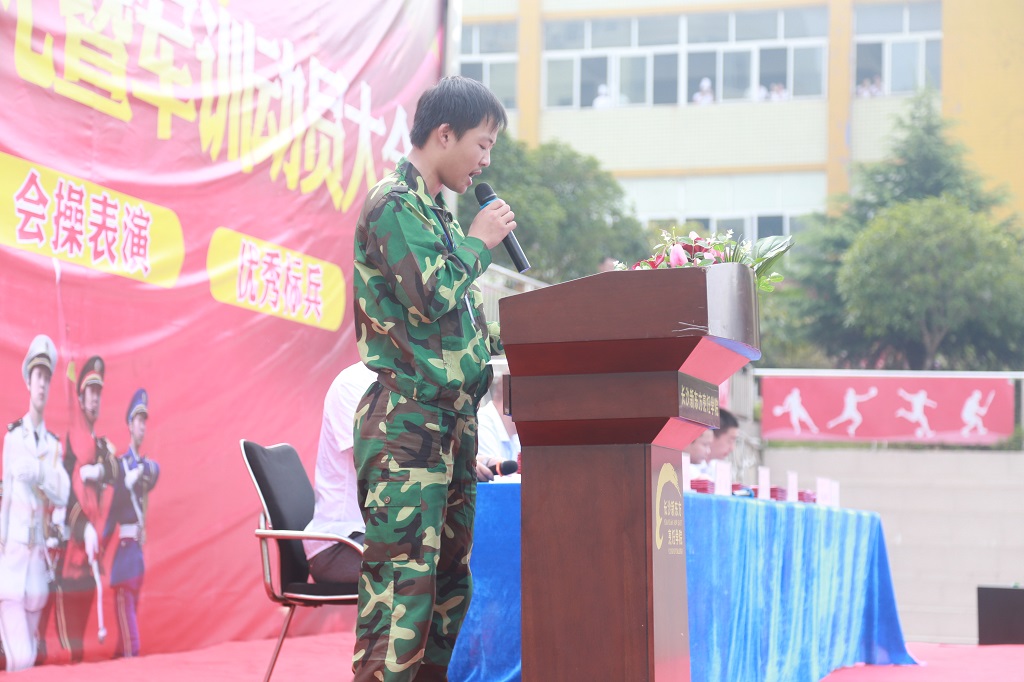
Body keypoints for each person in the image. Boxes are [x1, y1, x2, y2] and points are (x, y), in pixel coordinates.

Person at [351, 75, 514, 681]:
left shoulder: (438, 215)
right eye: (482, 144)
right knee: (400, 598)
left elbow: (459, 328)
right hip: (406, 424)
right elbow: (430, 294)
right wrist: (478, 243)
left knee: (446, 591)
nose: (485, 161)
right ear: (445, 135)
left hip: (450, 427)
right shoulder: (393, 203)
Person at [0, 335, 69, 672]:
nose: (42, 384)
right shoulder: (13, 438)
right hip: (12, 564)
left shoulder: (53, 447)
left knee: (26, 666)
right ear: (28, 381)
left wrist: (40, 471)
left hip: (36, 575)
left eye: (47, 377)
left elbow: (63, 492)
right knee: (21, 658)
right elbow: (5, 501)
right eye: (37, 376)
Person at [46, 355, 117, 663]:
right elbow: (64, 491)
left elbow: (113, 468)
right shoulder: (71, 442)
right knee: (68, 645)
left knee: (83, 648)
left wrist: (100, 470)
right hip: (69, 558)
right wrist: (83, 526)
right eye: (90, 391)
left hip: (90, 561)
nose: (95, 398)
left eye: (99, 392)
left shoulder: (100, 446)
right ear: (80, 396)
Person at [303, 361, 376, 585]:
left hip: (378, 535)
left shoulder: (418, 383)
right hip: (343, 543)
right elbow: (382, 463)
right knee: (433, 566)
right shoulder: (354, 383)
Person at [102, 388, 159, 658]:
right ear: (129, 424)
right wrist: (100, 548)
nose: (142, 426)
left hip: (134, 558)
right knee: (127, 639)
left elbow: (155, 470)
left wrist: (140, 471)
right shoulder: (120, 466)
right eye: (138, 420)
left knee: (128, 637)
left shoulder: (143, 467)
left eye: (144, 421)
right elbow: (113, 514)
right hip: (125, 558)